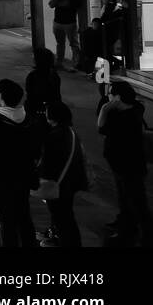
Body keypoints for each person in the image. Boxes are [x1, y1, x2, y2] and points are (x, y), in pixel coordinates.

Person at [0, 80, 37, 247]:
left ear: (2, 98)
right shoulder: (28, 119)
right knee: (24, 214)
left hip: (2, 178)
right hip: (24, 176)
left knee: (6, 219)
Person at [98, 80, 153, 247]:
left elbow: (101, 127)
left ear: (118, 97)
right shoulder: (132, 108)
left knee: (137, 201)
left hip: (129, 166)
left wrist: (104, 109)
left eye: (111, 94)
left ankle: (143, 234)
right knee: (126, 198)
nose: (108, 96)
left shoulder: (126, 118)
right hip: (121, 165)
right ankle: (126, 226)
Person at [36, 101, 88, 248]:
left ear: (53, 116)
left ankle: (66, 242)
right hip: (69, 182)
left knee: (62, 218)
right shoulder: (69, 132)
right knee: (65, 216)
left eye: (47, 112)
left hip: (59, 184)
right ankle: (60, 239)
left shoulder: (55, 136)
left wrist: (39, 179)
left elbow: (49, 162)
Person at [48, 0, 82, 70]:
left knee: (74, 44)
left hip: (69, 23)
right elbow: (51, 5)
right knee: (60, 43)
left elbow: (77, 6)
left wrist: (63, 4)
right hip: (57, 22)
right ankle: (59, 63)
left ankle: (76, 63)